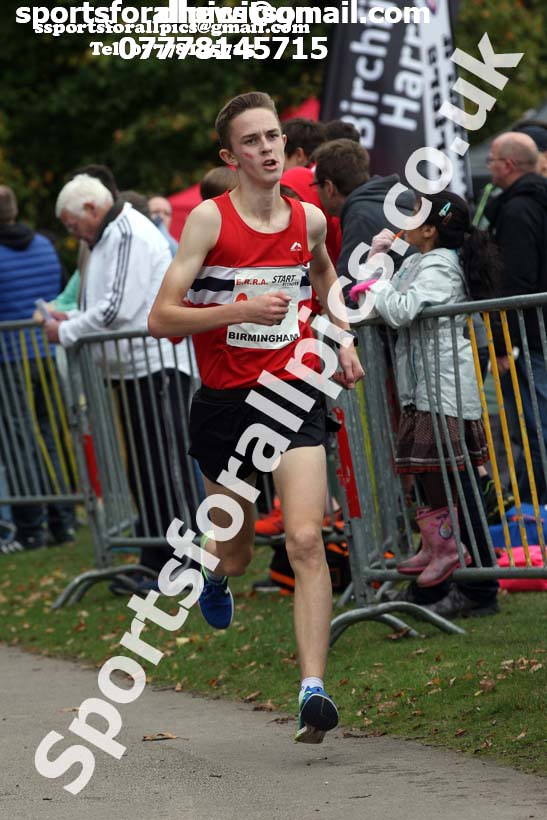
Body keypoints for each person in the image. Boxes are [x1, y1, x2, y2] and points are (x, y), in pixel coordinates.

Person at [148, 91, 364, 743]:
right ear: (230, 156)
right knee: (238, 553)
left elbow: (326, 280)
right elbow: (161, 318)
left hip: (292, 396)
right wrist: (236, 312)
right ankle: (215, 573)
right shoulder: (209, 223)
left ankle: (312, 691)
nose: (267, 149)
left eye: (272, 137)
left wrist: (343, 335)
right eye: (251, 142)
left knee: (303, 538)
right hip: (224, 407)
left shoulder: (310, 220)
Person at [351, 191, 501, 618]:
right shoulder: (420, 261)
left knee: (460, 486)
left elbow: (398, 310)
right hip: (423, 389)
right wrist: (380, 263)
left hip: (445, 390)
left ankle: (478, 586)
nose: (404, 222)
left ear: (431, 228)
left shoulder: (439, 265)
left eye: (412, 216)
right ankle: (439, 548)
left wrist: (380, 283)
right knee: (431, 477)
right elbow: (379, 304)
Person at [46, 174, 198, 590]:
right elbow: (108, 306)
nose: (71, 232)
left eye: (72, 223)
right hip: (136, 367)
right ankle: (155, 556)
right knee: (145, 470)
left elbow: (116, 309)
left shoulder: (127, 231)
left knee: (165, 467)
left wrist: (69, 330)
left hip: (156, 365)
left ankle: (180, 560)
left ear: (93, 210)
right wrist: (75, 321)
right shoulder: (110, 235)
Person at [0, 185, 75, 551]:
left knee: (19, 441)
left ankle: (32, 525)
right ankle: (64, 520)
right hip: (45, 353)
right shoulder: (44, 244)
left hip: (10, 357)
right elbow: (60, 288)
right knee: (51, 435)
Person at [485, 132, 547, 504]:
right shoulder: (529, 202)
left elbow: (514, 281)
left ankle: (540, 513)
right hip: (536, 335)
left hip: (532, 339)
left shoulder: (517, 210)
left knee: (538, 427)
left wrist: (505, 342)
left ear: (508, 165)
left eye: (492, 159)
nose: (489, 164)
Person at [312, 139, 415, 291]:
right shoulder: (385, 203)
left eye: (314, 185)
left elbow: (347, 296)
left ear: (329, 188)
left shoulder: (360, 215)